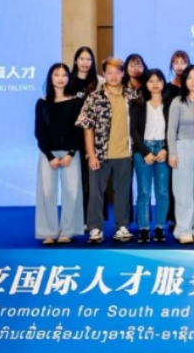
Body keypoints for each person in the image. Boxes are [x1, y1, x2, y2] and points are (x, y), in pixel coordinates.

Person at [76, 57, 140, 244]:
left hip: (125, 153)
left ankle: (122, 226)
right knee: (96, 194)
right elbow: (87, 127)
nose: (113, 76)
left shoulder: (132, 96)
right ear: (104, 74)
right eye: (109, 72)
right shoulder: (95, 97)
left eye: (117, 72)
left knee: (123, 193)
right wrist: (91, 154)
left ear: (122, 73)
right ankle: (95, 228)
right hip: (100, 154)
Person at [35, 63, 84, 244]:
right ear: (51, 78)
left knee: (72, 191)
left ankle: (68, 231)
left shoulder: (77, 102)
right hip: (48, 154)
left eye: (64, 75)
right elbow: (39, 132)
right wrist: (49, 156)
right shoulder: (42, 103)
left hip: (71, 153)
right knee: (47, 192)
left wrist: (71, 152)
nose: (61, 78)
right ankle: (48, 232)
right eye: (57, 75)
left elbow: (79, 131)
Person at [130, 69, 171, 243]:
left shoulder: (170, 104)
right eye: (151, 81)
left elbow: (173, 129)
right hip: (143, 149)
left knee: (162, 191)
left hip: (162, 149)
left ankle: (160, 227)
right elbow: (133, 130)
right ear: (145, 84)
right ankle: (144, 228)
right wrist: (145, 152)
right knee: (144, 192)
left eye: (158, 80)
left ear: (163, 82)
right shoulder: (138, 104)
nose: (155, 84)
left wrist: (166, 149)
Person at [167, 65, 194, 244]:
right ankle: (183, 229)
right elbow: (171, 129)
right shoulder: (178, 101)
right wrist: (172, 153)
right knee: (183, 192)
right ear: (184, 81)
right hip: (183, 147)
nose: (193, 81)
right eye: (189, 77)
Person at [71, 46, 98, 224]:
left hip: (94, 137)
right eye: (82, 58)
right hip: (72, 136)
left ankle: (92, 219)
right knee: (76, 180)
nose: (85, 62)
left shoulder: (98, 82)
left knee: (92, 180)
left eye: (88, 59)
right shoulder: (68, 82)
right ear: (75, 61)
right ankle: (76, 218)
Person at [165, 50, 191, 230]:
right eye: (176, 62)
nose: (180, 66)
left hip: (192, 141)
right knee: (173, 182)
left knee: (190, 183)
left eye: (183, 62)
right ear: (171, 66)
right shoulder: (167, 88)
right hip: (172, 139)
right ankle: (175, 217)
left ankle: (191, 217)